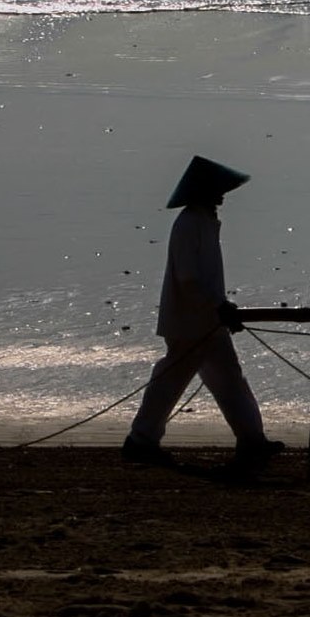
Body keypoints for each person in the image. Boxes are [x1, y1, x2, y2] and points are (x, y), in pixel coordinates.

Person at [122, 156, 283, 472]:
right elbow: (189, 279)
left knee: (228, 380)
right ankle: (141, 440)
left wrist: (218, 310)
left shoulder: (205, 222)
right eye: (218, 191)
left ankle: (252, 440)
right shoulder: (189, 224)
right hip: (189, 323)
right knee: (172, 380)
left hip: (207, 322)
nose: (223, 196)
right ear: (204, 192)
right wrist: (218, 307)